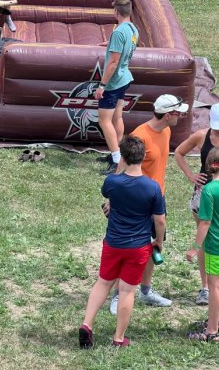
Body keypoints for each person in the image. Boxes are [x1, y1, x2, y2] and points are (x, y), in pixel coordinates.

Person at [78, 136, 165, 349]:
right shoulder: (153, 188)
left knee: (103, 282)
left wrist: (119, 169)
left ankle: (87, 324)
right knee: (126, 291)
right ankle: (118, 339)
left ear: (123, 158)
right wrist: (158, 241)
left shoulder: (112, 182)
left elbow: (110, 195)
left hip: (113, 243)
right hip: (138, 247)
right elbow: (160, 220)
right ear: (144, 157)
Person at [108, 94, 189, 313]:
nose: (181, 116)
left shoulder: (167, 130)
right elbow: (122, 165)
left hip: (157, 198)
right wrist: (112, 198)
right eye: (179, 112)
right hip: (136, 202)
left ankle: (145, 290)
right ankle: (117, 295)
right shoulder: (140, 135)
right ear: (169, 114)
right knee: (129, 248)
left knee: (153, 246)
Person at [175, 102, 219, 306]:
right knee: (205, 237)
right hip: (204, 193)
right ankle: (206, 287)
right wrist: (190, 176)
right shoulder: (201, 135)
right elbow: (179, 153)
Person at [186, 147, 219, 342]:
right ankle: (218, 320)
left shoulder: (209, 190)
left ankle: (211, 332)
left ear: (208, 166)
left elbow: (205, 223)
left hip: (216, 245)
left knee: (215, 287)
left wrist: (195, 247)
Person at [94, 0, 139, 175]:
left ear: (116, 12)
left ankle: (116, 160)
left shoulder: (118, 32)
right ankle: (117, 153)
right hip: (125, 78)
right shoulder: (133, 29)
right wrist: (111, 45)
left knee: (104, 120)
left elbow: (112, 62)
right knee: (117, 118)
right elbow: (127, 47)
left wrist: (102, 85)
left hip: (113, 82)